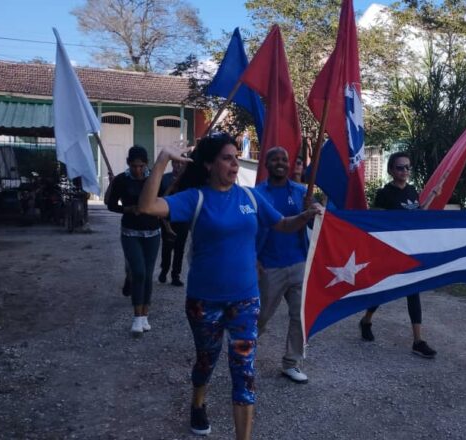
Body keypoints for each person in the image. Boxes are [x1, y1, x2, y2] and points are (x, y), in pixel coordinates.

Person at [137, 133, 321, 439]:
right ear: (209, 164)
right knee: (206, 361)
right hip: (204, 301)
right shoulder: (195, 198)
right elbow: (147, 207)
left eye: (237, 157)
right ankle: (198, 403)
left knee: (244, 373)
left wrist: (305, 215)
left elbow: (282, 224)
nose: (235, 163)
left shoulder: (250, 197)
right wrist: (162, 160)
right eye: (227, 157)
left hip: (246, 301)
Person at [358, 151, 437, 359]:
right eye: (400, 167)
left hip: (410, 250)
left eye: (407, 167)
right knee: (383, 289)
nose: (404, 171)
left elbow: (417, 216)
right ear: (391, 170)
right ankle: (366, 320)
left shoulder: (412, 191)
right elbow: (379, 221)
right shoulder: (385, 193)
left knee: (414, 291)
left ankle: (418, 341)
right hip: (390, 252)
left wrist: (431, 198)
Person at [255, 147, 310, 384]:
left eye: (284, 159)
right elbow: (252, 229)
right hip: (270, 266)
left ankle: (291, 362)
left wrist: (315, 209)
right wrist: (254, 258)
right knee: (261, 317)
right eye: (275, 159)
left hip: (299, 263)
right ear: (266, 164)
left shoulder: (301, 192)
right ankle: (244, 356)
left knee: (300, 317)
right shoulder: (258, 194)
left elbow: (314, 219)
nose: (281, 163)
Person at [105, 146, 160, 337]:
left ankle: (145, 315)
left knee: (148, 274)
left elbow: (163, 201)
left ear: (147, 164)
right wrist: (128, 209)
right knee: (138, 272)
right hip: (130, 232)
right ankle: (136, 317)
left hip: (153, 232)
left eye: (141, 166)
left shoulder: (154, 179)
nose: (138, 170)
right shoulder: (122, 180)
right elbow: (110, 204)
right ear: (129, 163)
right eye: (134, 166)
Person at [158, 160, 188, 287]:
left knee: (180, 249)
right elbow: (159, 199)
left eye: (181, 163)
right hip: (167, 218)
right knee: (167, 247)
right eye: (177, 163)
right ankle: (164, 270)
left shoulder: (188, 180)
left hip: (183, 219)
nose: (179, 166)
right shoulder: (164, 179)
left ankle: (175, 275)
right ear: (172, 164)